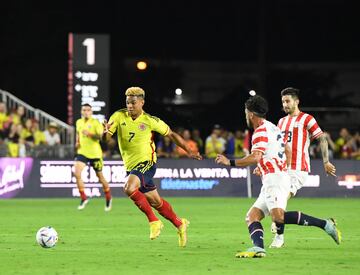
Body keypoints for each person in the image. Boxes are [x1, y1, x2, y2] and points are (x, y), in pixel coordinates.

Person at [215, 95, 341, 258]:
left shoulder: (260, 131)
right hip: (275, 176)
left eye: (246, 112)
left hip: (275, 179)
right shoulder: (273, 127)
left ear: (251, 114)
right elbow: (287, 150)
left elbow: (255, 157)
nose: (246, 115)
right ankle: (259, 248)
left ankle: (325, 224)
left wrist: (229, 162)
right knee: (252, 216)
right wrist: (272, 166)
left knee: (278, 217)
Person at [102, 87, 201, 247]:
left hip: (147, 163)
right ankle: (179, 224)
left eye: (133, 103)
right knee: (156, 202)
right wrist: (105, 132)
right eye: (128, 102)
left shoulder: (150, 120)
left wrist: (188, 150)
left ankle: (154, 221)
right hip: (131, 167)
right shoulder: (119, 116)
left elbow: (172, 135)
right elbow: (107, 138)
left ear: (142, 102)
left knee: (128, 187)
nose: (130, 106)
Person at [269, 87, 337, 248]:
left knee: (281, 198)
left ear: (296, 101)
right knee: (275, 199)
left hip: (298, 168)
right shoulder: (281, 121)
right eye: (283, 102)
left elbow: (322, 139)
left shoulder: (307, 119)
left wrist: (326, 161)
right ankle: (325, 224)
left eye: (288, 101)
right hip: (282, 168)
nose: (285, 104)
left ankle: (279, 237)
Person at [74, 104, 112, 211]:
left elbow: (100, 137)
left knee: (100, 177)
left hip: (95, 154)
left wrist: (90, 134)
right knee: (77, 173)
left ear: (91, 112)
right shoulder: (79, 122)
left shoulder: (95, 123)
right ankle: (83, 198)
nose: (86, 112)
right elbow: (78, 134)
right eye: (84, 110)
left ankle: (108, 197)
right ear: (81, 111)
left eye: (88, 110)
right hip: (82, 152)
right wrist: (77, 142)